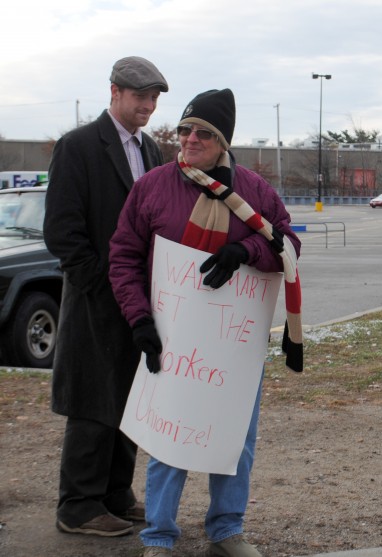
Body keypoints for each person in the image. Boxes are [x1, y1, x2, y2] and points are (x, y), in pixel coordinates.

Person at [108, 88, 301, 557]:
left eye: (204, 132)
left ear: (223, 142)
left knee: (234, 436)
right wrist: (139, 321)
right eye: (185, 129)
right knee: (169, 436)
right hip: (171, 337)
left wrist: (246, 250)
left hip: (233, 346)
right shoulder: (153, 186)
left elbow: (289, 245)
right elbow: (124, 256)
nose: (190, 139)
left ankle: (227, 530)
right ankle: (159, 535)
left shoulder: (255, 192)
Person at [43, 56, 168, 537]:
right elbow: (62, 232)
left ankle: (116, 494)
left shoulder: (152, 150)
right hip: (97, 299)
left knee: (131, 399)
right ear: (114, 92)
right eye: (140, 96)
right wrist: (104, 284)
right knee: (94, 401)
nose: (149, 106)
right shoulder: (78, 146)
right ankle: (78, 505)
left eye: (154, 98)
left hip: (138, 299)